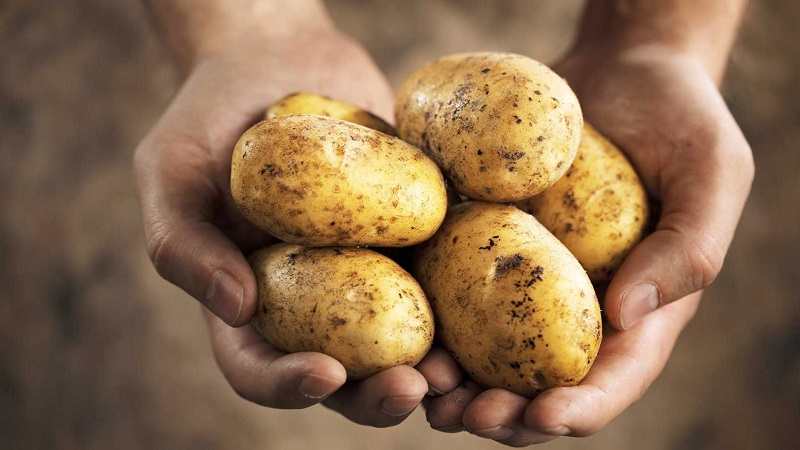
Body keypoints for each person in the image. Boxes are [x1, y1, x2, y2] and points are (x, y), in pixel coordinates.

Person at [133, 0, 753, 446]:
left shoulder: (461, 184)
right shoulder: (419, 189)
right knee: (398, 313)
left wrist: (658, 36)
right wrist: (251, 30)